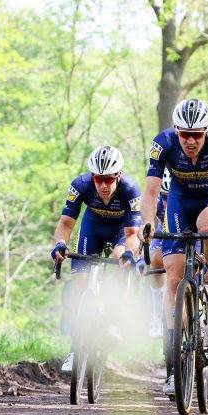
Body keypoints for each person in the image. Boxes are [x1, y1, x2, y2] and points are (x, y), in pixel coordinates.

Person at [139, 98, 208, 395]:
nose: (191, 140)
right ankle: (174, 367)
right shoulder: (163, 143)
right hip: (179, 201)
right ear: (175, 129)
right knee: (174, 275)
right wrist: (148, 222)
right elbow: (150, 191)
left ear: (207, 131)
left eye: (197, 134)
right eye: (185, 134)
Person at [50, 145, 142, 371]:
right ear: (92, 176)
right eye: (98, 179)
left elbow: (132, 235)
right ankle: (74, 350)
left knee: (121, 259)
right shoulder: (80, 185)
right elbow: (65, 224)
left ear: (118, 176)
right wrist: (60, 245)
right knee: (79, 285)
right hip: (92, 229)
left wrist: (130, 254)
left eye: (108, 180)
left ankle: (114, 318)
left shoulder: (131, 190)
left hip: (121, 232)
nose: (102, 185)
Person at [146, 170, 171, 338]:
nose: (167, 202)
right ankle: (156, 315)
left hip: (190, 227)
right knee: (155, 260)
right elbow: (147, 224)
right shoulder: (155, 199)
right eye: (164, 197)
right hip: (165, 231)